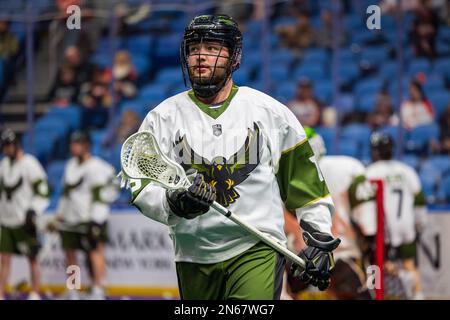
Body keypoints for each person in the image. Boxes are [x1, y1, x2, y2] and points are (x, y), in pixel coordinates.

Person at [122, 14, 340, 300]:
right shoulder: (162, 118)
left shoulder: (270, 113)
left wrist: (319, 238)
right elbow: (142, 188)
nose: (200, 56)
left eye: (212, 49)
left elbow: (306, 185)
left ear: (234, 57)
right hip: (192, 253)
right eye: (193, 49)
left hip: (255, 247)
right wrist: (174, 203)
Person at [306, 127, 375, 300]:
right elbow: (368, 223)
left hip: (301, 256)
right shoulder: (346, 167)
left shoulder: (282, 176)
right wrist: (370, 241)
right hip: (342, 253)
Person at [49, 131, 118, 300]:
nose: (73, 147)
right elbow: (65, 193)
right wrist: (60, 214)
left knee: (95, 253)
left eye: (77, 143)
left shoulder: (98, 167)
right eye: (72, 143)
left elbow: (106, 194)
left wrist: (97, 219)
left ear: (86, 146)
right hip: (70, 220)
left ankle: (98, 289)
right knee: (70, 255)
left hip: (90, 219)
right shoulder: (70, 165)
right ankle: (73, 290)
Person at [366, 132, 428, 299]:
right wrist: (421, 223)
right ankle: (418, 296)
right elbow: (419, 199)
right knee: (409, 264)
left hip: (383, 227)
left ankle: (374, 295)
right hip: (406, 225)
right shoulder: (406, 170)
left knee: (376, 265)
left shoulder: (371, 172)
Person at [0, 129, 50, 300]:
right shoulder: (4, 165)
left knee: (32, 258)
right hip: (6, 221)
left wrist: (34, 209)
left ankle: (35, 292)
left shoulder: (29, 163)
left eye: (9, 146)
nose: (6, 150)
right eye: (4, 147)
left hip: (24, 220)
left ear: (16, 145)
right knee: (4, 259)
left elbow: (43, 191)